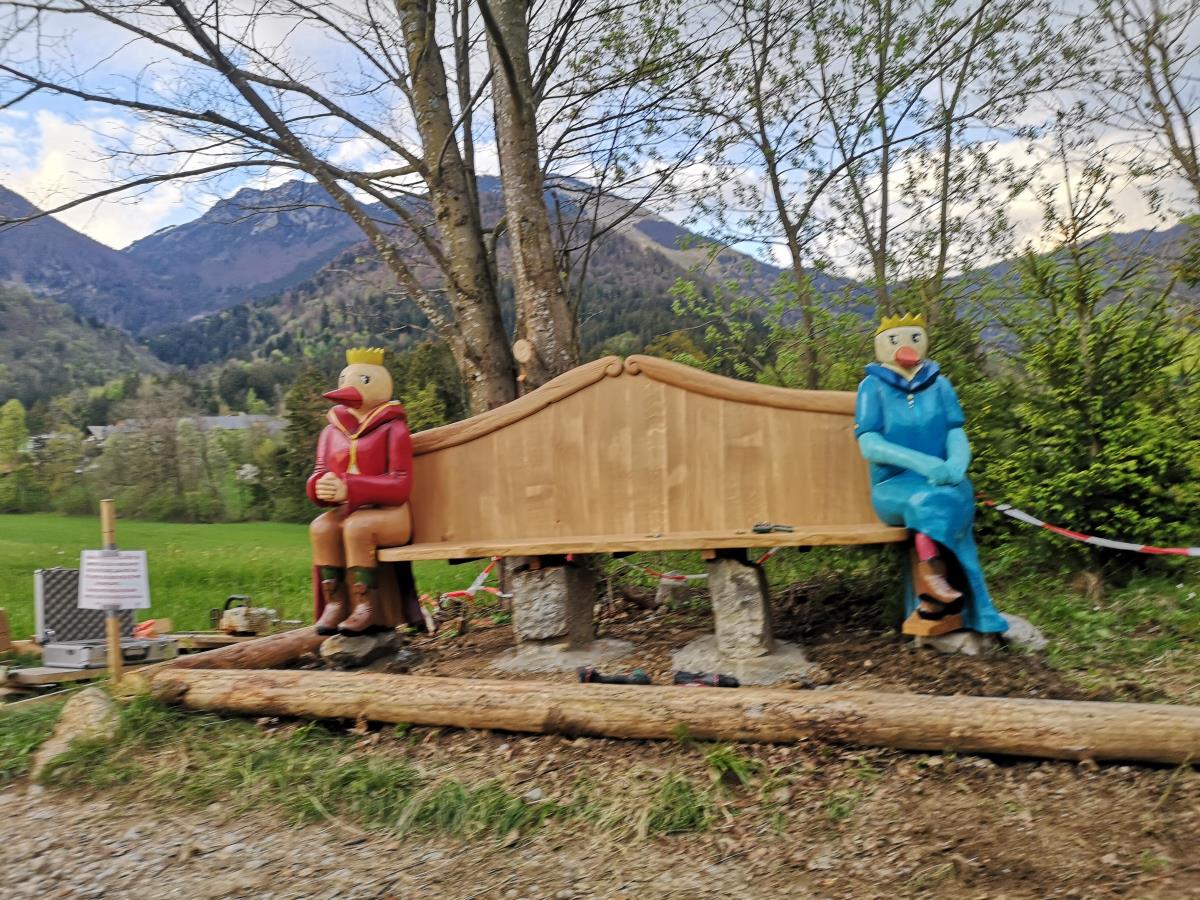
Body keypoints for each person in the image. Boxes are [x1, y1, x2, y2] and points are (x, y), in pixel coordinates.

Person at [854, 314, 1007, 636]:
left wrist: (957, 464)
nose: (906, 346)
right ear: (882, 345)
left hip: (943, 480)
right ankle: (934, 584)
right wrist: (922, 463)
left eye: (914, 338)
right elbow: (870, 444)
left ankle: (955, 603)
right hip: (893, 486)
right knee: (926, 503)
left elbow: (955, 430)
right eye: (895, 340)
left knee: (954, 496)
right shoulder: (872, 387)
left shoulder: (939, 384)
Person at [307, 347, 422, 636]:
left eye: (363, 380)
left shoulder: (393, 428)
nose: (349, 387)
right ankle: (335, 602)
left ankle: (364, 605)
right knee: (321, 528)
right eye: (344, 380)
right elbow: (320, 470)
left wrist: (350, 487)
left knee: (357, 528)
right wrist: (319, 487)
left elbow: (400, 485)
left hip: (392, 514)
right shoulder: (331, 432)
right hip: (348, 511)